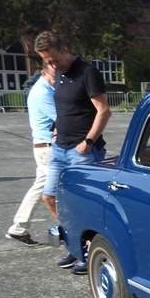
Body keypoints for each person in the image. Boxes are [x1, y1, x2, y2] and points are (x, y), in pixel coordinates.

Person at [35, 31, 111, 274]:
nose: (53, 65)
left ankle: (89, 250)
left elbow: (103, 111)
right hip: (60, 147)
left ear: (66, 50)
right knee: (49, 196)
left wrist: (88, 141)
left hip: (82, 150)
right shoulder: (58, 73)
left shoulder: (87, 72)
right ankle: (74, 242)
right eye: (47, 61)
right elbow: (64, 108)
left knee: (84, 203)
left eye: (55, 59)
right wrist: (56, 131)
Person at [5, 64, 57, 245]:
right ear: (43, 73)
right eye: (54, 76)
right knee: (53, 190)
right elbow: (63, 119)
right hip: (49, 147)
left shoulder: (45, 89)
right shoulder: (43, 93)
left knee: (41, 187)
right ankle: (69, 229)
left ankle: (19, 227)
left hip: (44, 147)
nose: (58, 79)